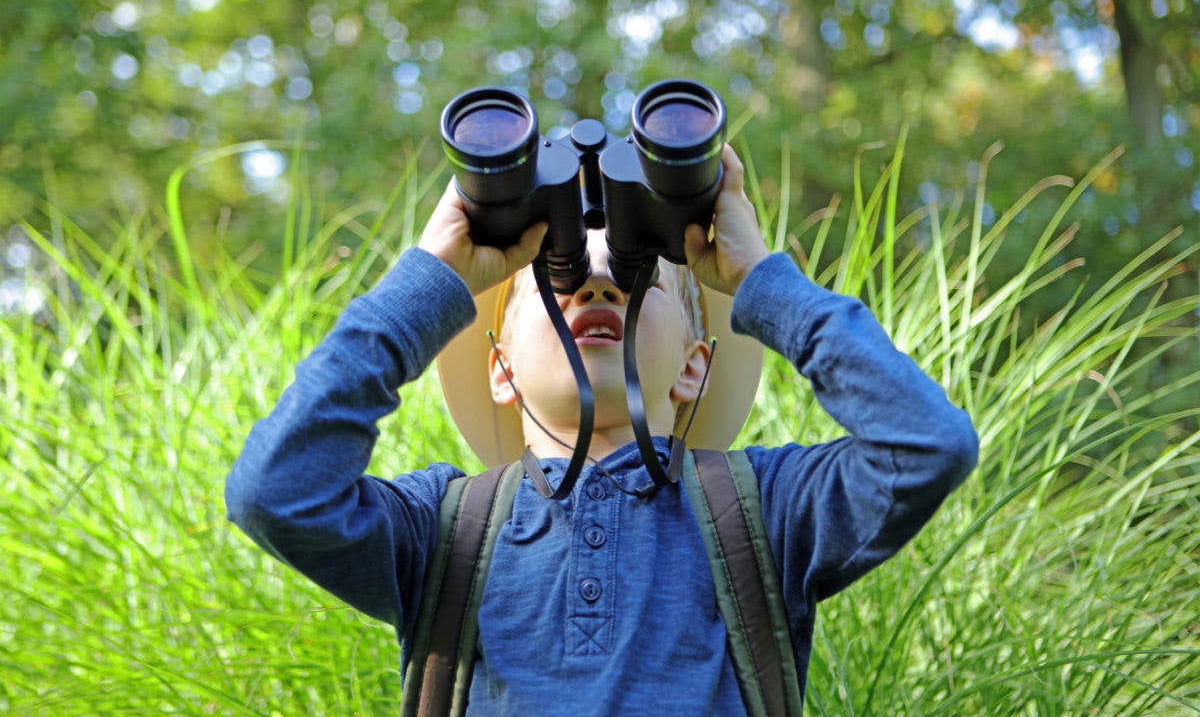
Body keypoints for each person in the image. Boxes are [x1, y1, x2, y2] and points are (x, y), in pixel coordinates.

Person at [226, 144, 978, 714]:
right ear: (502, 370)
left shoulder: (763, 514)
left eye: (636, 277)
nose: (597, 284)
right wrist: (434, 280)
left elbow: (925, 444)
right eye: (557, 282)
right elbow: (275, 491)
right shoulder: (442, 531)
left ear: (693, 368)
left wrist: (758, 282)